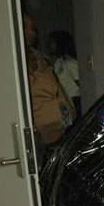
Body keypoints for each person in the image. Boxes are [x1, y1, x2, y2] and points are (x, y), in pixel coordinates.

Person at [23, 14, 75, 149]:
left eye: (32, 28)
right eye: (25, 27)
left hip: (58, 130)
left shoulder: (40, 58)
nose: (31, 33)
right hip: (38, 136)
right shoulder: (13, 62)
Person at [47, 30, 82, 120]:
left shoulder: (69, 63)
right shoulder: (58, 63)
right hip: (64, 102)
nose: (48, 45)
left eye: (51, 42)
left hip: (73, 102)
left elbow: (81, 85)